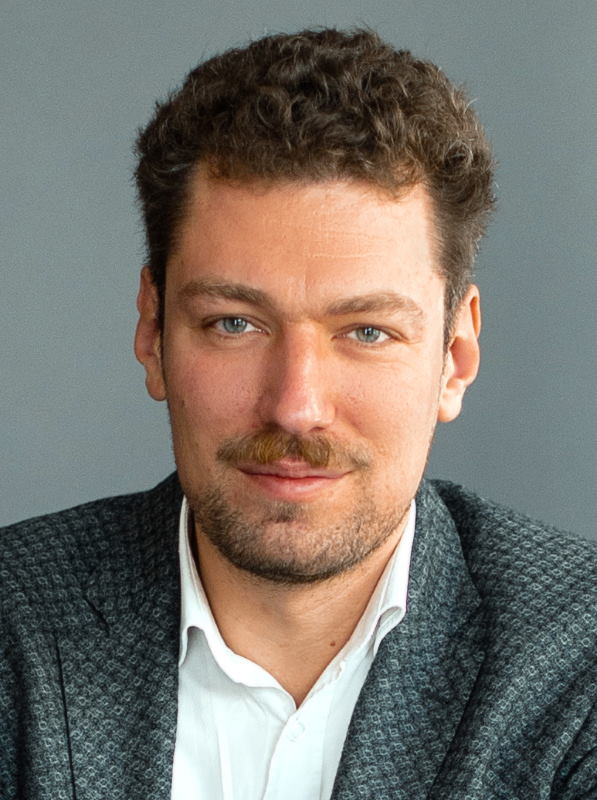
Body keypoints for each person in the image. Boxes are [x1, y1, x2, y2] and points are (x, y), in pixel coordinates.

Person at [1, 27, 595, 800]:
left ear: (454, 356)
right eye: (234, 324)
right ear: (152, 332)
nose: (295, 407)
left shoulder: (577, 658)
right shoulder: (14, 627)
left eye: (367, 331)